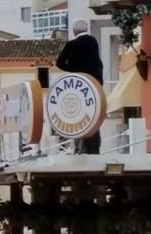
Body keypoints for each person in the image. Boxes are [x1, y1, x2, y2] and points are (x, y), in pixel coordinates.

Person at [56, 20, 104, 155]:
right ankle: (94, 147)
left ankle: (82, 148)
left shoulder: (71, 45)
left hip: (80, 85)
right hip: (94, 84)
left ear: (74, 31)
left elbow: (59, 63)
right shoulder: (93, 42)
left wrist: (72, 70)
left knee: (81, 117)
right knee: (94, 115)